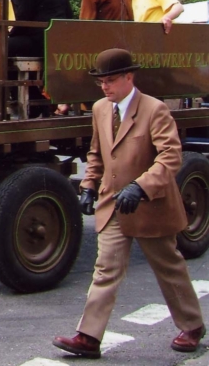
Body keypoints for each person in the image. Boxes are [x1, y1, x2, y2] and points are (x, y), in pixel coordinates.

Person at [53, 49, 204, 358]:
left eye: (110, 81)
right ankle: (89, 336)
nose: (105, 87)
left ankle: (192, 325)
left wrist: (141, 187)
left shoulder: (154, 110)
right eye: (101, 82)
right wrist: (89, 185)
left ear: (129, 77)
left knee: (169, 268)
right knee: (105, 269)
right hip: (113, 205)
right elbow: (96, 153)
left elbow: (171, 157)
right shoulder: (99, 109)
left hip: (151, 205)